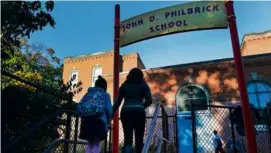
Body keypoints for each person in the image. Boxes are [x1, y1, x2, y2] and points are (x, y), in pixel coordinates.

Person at [112, 68, 152, 153]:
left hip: (126, 111)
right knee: (139, 138)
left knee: (128, 138)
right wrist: (141, 106)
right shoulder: (143, 84)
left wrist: (110, 116)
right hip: (139, 112)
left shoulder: (124, 85)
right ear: (141, 75)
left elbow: (117, 102)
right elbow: (149, 100)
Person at [78, 76, 112, 153]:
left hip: (86, 121)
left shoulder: (88, 93)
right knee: (96, 144)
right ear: (105, 86)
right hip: (99, 121)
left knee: (90, 144)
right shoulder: (105, 94)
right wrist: (109, 121)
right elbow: (109, 110)